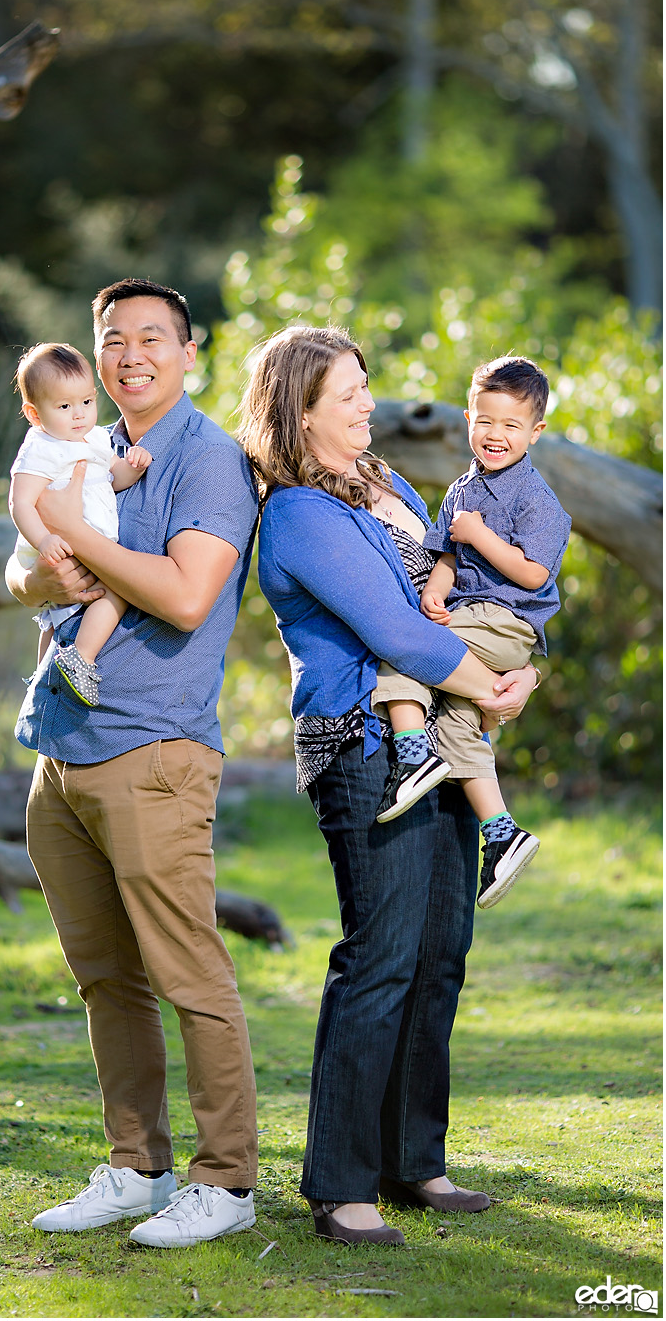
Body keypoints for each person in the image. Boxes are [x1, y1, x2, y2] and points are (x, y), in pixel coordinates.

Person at [237, 323, 538, 1247]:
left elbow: (469, 583)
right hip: (366, 747)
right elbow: (394, 630)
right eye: (348, 395)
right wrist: (488, 683)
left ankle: (415, 1161)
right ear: (300, 412)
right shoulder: (296, 513)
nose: (370, 404)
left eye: (367, 386)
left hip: (438, 731)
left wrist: (523, 673)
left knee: (442, 951)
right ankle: (340, 1183)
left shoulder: (388, 485)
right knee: (382, 955)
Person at [5, 279, 260, 1248]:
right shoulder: (81, 444)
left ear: (190, 352)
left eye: (153, 338)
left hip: (154, 750)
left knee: (187, 974)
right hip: (61, 751)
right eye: (113, 339)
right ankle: (135, 1165)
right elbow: (18, 574)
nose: (130, 354)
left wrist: (68, 537)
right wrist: (47, 558)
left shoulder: (210, 461)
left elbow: (189, 597)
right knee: (106, 979)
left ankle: (226, 1184)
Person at [372, 355, 571, 909]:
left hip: (507, 623)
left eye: (511, 426)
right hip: (471, 615)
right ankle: (503, 833)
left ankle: (413, 753)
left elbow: (533, 573)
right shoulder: (461, 490)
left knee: (407, 646)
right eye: (486, 421)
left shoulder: (539, 502)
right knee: (462, 723)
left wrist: (481, 538)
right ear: (467, 419)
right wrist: (435, 589)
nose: (496, 435)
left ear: (536, 432)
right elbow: (447, 556)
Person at [8, 341, 152, 704]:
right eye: (64, 406)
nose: (79, 415)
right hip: (59, 544)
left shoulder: (95, 439)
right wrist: (43, 540)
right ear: (34, 414)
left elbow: (110, 479)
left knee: (56, 615)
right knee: (119, 590)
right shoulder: (41, 446)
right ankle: (81, 659)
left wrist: (131, 468)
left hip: (87, 541)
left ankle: (43, 681)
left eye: (87, 402)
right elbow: (20, 502)